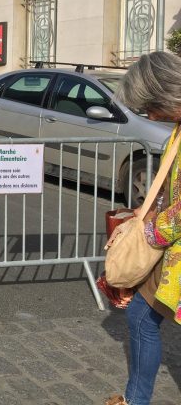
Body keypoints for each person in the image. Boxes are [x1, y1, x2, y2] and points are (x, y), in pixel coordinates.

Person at [104, 51, 181, 405]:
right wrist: (145, 212)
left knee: (141, 317)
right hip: (172, 254)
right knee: (140, 316)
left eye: (149, 107)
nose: (150, 117)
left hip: (171, 246)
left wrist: (147, 235)